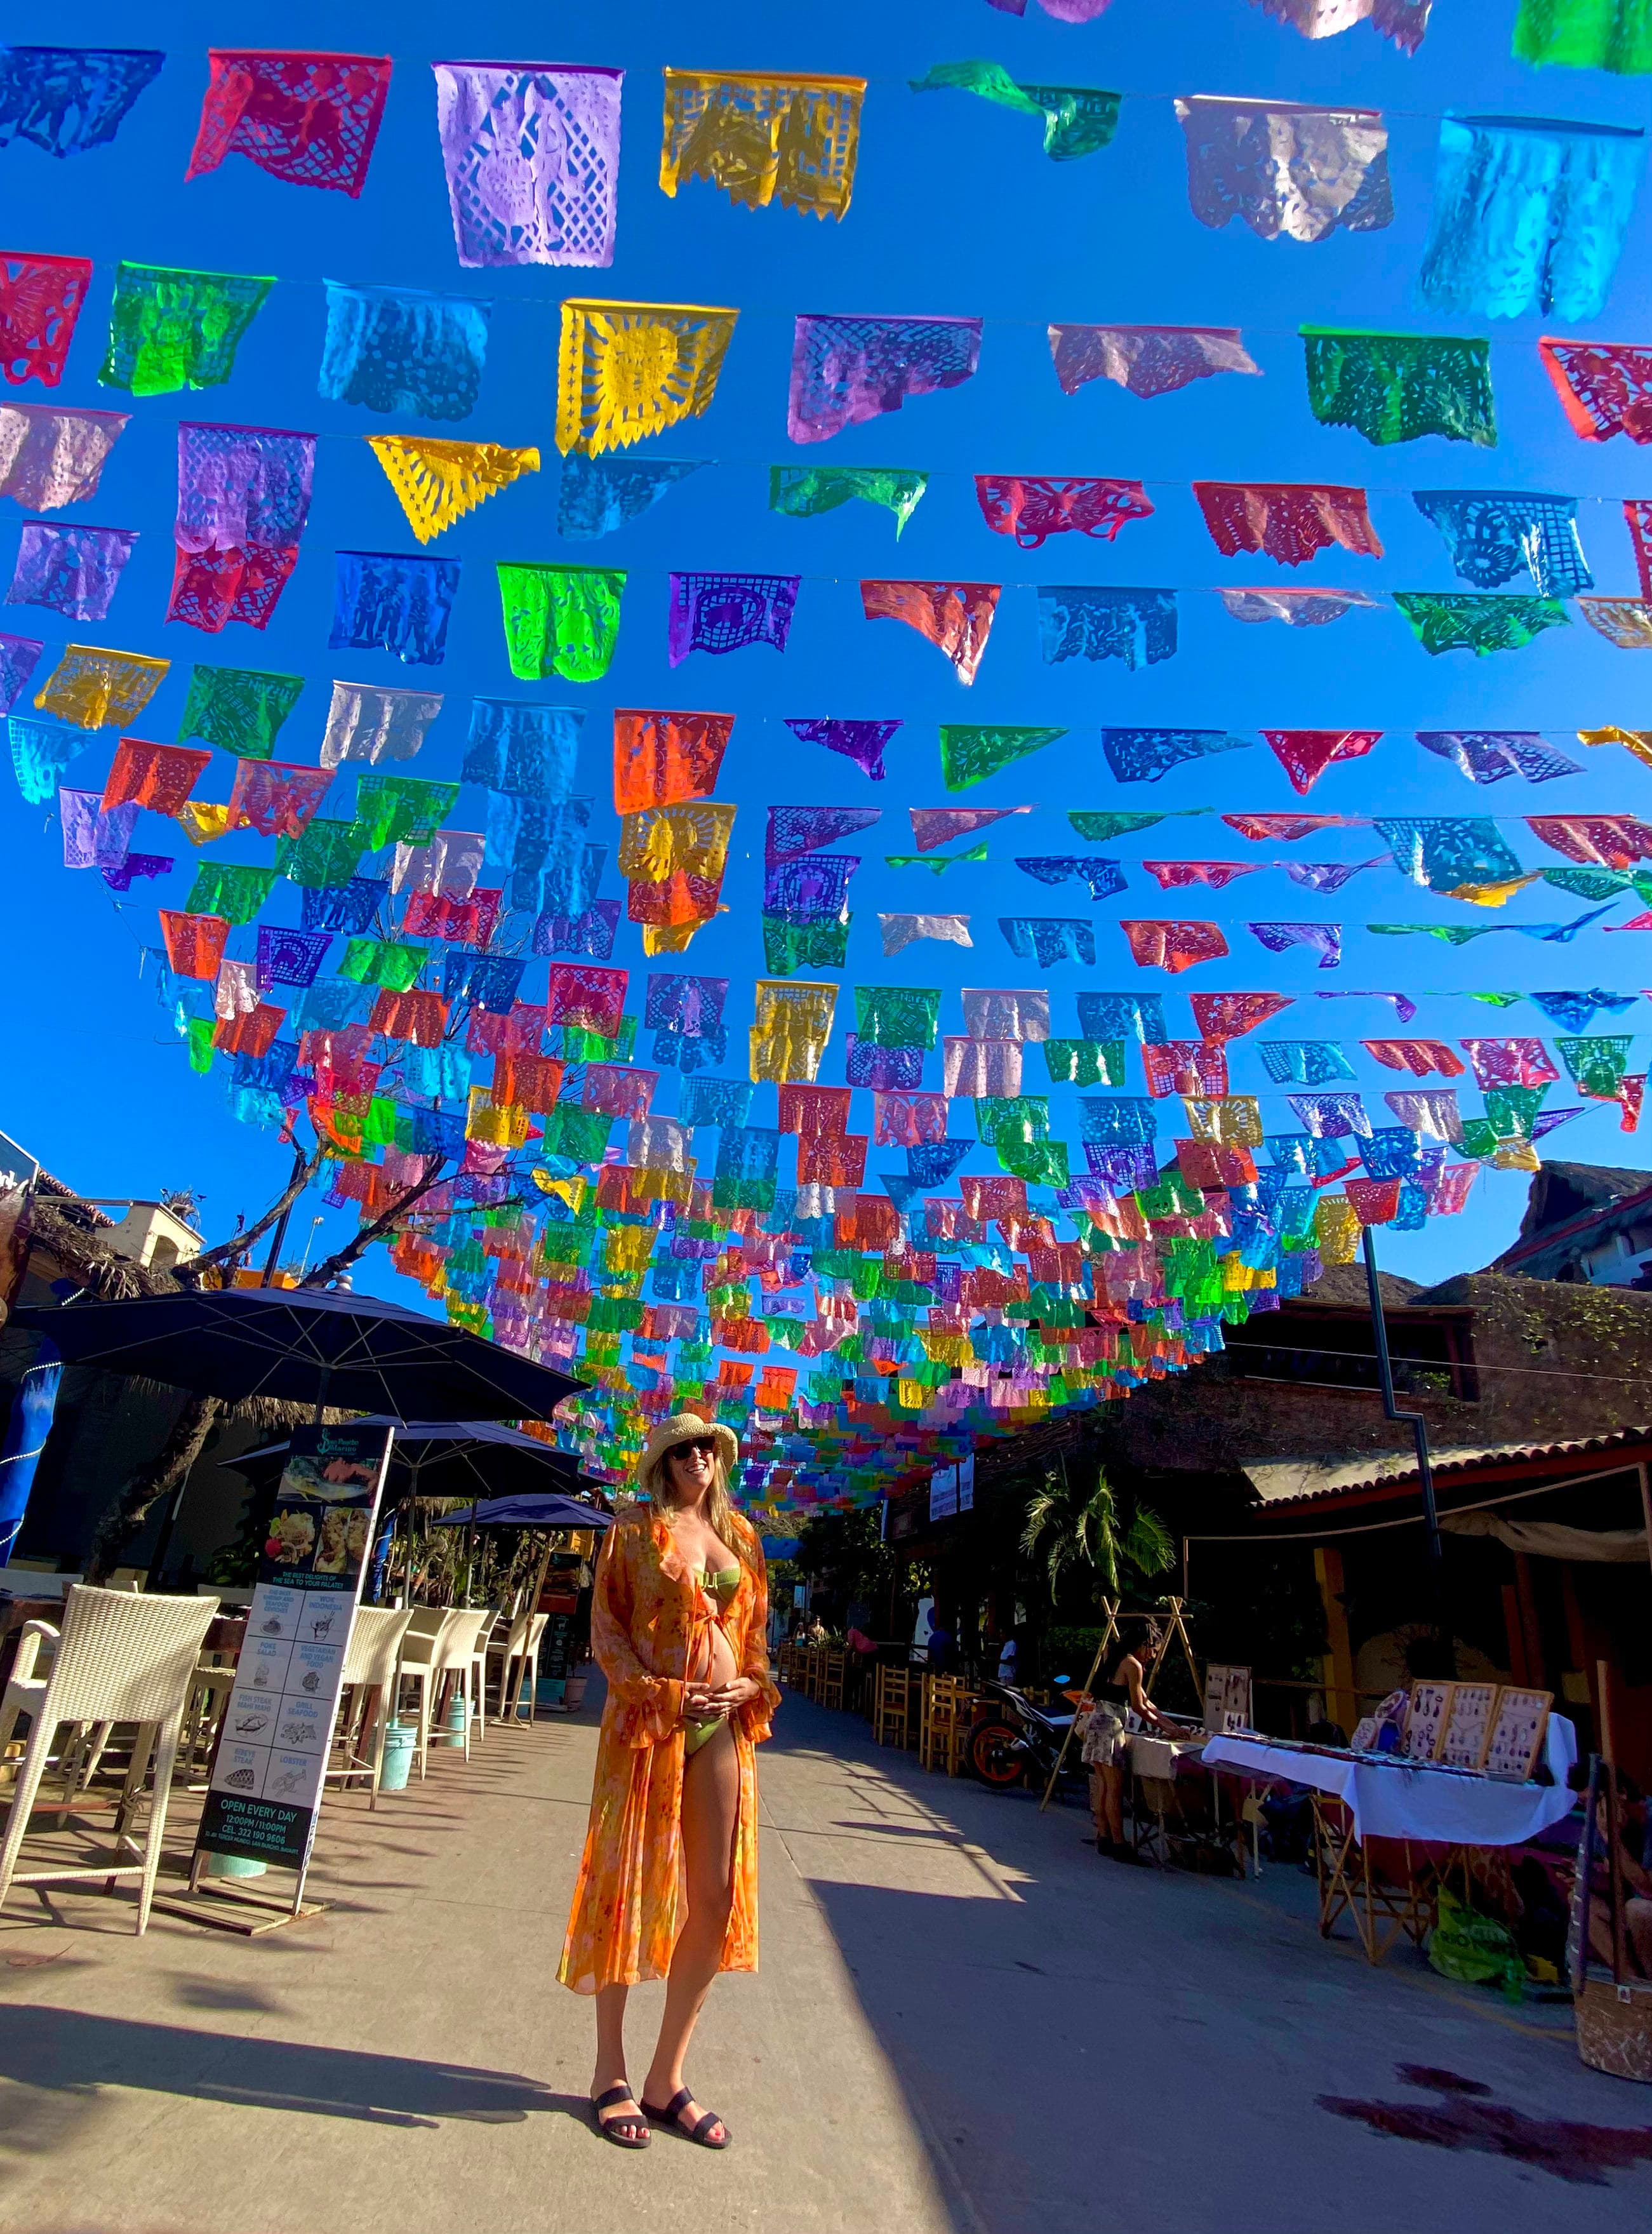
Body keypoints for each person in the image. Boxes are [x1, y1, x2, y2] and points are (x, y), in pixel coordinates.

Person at [560, 1414, 779, 2151]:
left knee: (712, 1898)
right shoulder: (631, 1530)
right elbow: (606, 1632)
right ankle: (608, 2071)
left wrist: (746, 1686)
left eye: (707, 1448)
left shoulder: (743, 1537)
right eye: (684, 1448)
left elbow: (754, 1643)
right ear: (662, 1462)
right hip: (649, 1725)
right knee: (629, 1889)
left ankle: (666, 2076)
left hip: (722, 1728)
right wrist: (659, 1690)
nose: (698, 1457)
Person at [1079, 1619, 1188, 1862]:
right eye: (1153, 1651)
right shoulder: (1133, 1665)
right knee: (1114, 1789)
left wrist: (1172, 1726)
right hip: (1110, 1728)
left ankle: (1104, 1836)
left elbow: (1147, 1702)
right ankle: (1119, 1843)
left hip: (1096, 1724)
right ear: (1145, 1644)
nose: (1153, 1656)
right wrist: (1167, 1728)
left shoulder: (1116, 1657)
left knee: (1104, 1786)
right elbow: (1139, 1707)